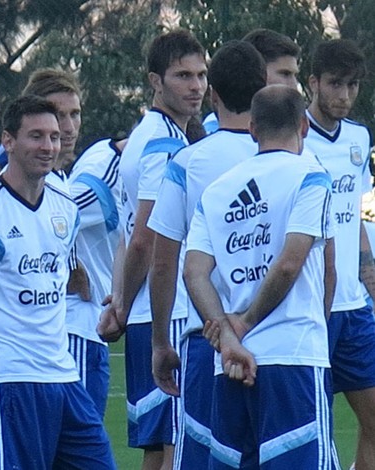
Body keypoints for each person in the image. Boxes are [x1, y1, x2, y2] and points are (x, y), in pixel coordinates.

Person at [0, 95, 116, 469]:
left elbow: (64, 266)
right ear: (8, 141)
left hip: (62, 373)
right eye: (36, 136)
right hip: (7, 377)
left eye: (54, 137)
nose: (48, 146)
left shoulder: (64, 205)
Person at [186, 84, 335, 468]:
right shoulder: (311, 176)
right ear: (304, 126)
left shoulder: (217, 190)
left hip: (233, 361)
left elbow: (194, 273)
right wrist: (247, 321)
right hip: (294, 355)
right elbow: (290, 263)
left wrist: (227, 333)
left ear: (252, 129)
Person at [147, 40, 266, 469]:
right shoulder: (296, 162)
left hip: (208, 337)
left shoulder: (188, 162)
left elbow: (164, 262)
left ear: (212, 95)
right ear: (263, 90)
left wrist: (160, 340)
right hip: (278, 341)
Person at [99, 29, 207, 470]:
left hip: (147, 308)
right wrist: (122, 303)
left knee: (158, 448)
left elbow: (128, 233)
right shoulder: (164, 145)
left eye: (201, 75)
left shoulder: (147, 134)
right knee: (174, 448)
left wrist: (122, 299)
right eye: (182, 75)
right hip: (168, 310)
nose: (196, 86)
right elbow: (145, 236)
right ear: (155, 81)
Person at [305, 39, 375, 470]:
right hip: (313, 308)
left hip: (354, 307)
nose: (344, 95)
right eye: (335, 84)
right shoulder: (292, 135)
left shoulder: (358, 136)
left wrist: (367, 262)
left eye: (352, 85)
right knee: (314, 429)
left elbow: (355, 210)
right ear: (312, 83)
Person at [66, 136, 126, 417]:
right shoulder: (102, 177)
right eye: (58, 116)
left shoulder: (99, 155)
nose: (67, 128)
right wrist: (69, 265)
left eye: (74, 115)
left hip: (87, 327)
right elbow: (47, 217)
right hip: (78, 323)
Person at [202, 28, 301, 134]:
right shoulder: (212, 130)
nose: (294, 86)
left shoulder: (294, 132)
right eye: (285, 74)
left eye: (295, 76)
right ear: (258, 71)